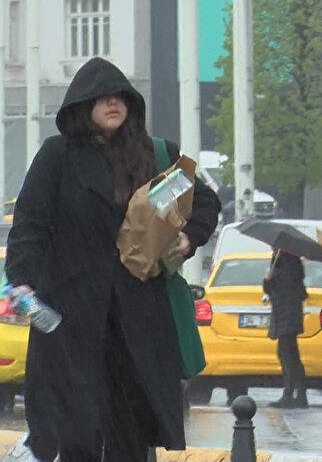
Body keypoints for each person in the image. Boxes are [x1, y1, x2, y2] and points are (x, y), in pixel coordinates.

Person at [5, 57, 221, 461]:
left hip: (137, 319)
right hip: (71, 319)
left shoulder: (155, 156)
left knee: (132, 435)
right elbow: (30, 224)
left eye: (120, 96)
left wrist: (190, 238)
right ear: (82, 106)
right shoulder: (58, 157)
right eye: (101, 97)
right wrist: (20, 280)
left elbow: (205, 201)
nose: (112, 103)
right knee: (76, 434)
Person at [263, 247, 309, 409]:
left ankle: (292, 394)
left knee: (288, 355)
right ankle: (296, 394)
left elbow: (287, 288)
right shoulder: (277, 261)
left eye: (275, 247)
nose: (272, 249)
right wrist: (267, 280)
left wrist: (272, 277)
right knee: (288, 354)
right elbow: (270, 289)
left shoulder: (289, 263)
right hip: (282, 313)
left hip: (288, 314)